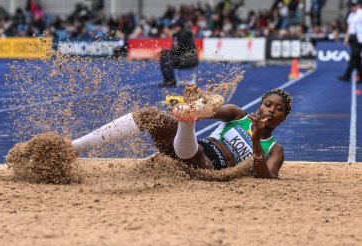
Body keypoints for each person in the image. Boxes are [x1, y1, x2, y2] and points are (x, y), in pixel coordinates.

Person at [70, 85, 292, 179]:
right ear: (260, 106)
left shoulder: (275, 150)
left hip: (207, 165)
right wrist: (198, 102)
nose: (272, 110)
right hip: (188, 147)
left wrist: (255, 140)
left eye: (279, 109)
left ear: (283, 118)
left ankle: (187, 120)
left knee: (195, 147)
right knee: (149, 115)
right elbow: (208, 112)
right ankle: (73, 147)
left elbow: (267, 177)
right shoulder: (237, 115)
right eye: (268, 104)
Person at [158, 19, 199, 87]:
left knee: (166, 56)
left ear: (181, 26)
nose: (174, 28)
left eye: (176, 26)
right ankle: (169, 80)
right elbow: (175, 49)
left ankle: (170, 81)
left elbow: (176, 49)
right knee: (165, 55)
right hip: (183, 57)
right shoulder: (177, 35)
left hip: (189, 58)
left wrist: (164, 51)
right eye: (173, 26)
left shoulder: (183, 34)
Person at [338, 0, 362, 82]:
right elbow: (349, 28)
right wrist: (346, 38)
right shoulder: (351, 14)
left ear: (358, 5)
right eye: (351, 5)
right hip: (353, 38)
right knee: (356, 58)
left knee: (354, 57)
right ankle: (354, 75)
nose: (352, 7)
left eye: (354, 5)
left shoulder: (361, 14)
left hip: (359, 38)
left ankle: (347, 75)